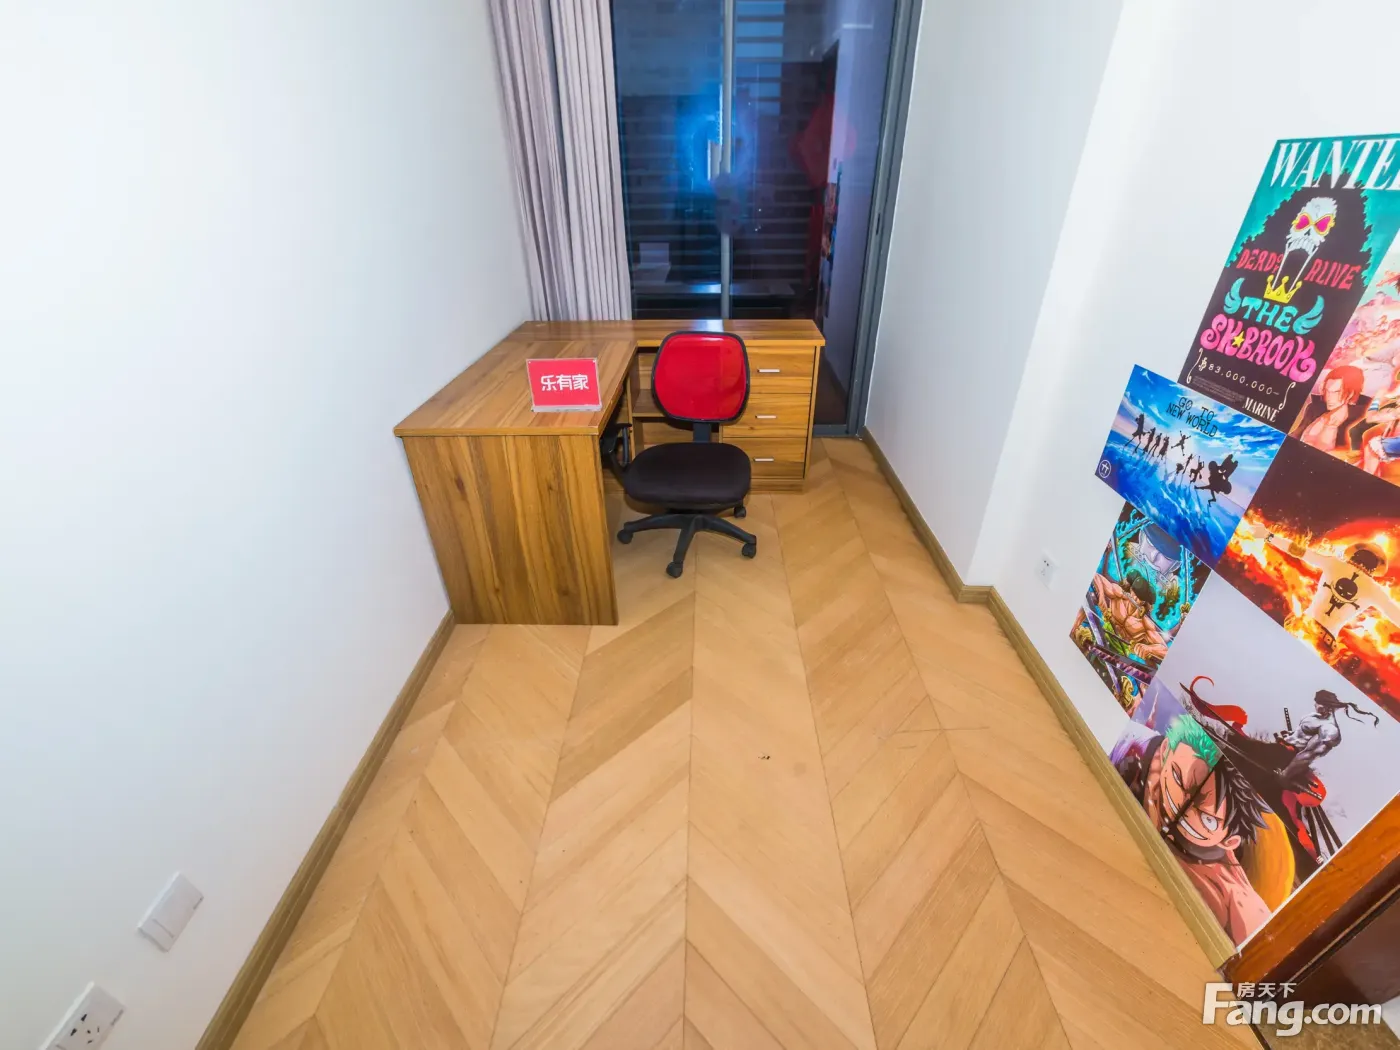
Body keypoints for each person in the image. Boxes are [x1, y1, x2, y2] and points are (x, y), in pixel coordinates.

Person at [1114, 714, 1272, 943]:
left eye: (1207, 819)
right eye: (1178, 777)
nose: (1182, 804)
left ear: (1229, 841)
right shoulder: (1135, 745)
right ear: (1165, 750)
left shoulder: (1233, 898)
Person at [1252, 527, 1400, 650]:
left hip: (1301, 626)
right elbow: (1395, 615)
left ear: (1355, 554)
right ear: (1374, 567)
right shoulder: (1374, 590)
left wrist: (1268, 536)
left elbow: (1297, 550)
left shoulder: (1334, 563)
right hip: (1323, 644)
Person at [1090, 572, 1168, 662]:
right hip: (1099, 636)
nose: (1135, 599)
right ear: (1131, 589)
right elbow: (1096, 576)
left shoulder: (1145, 623)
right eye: (1135, 593)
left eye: (1140, 598)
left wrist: (1148, 649)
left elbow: (1165, 650)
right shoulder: (1119, 595)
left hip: (1118, 656)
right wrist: (1102, 600)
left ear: (1144, 602)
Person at [1297, 365, 1367, 453]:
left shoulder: (1360, 416)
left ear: (1350, 393)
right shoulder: (1314, 408)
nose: (1329, 397)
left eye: (1336, 392)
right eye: (1327, 391)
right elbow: (1297, 433)